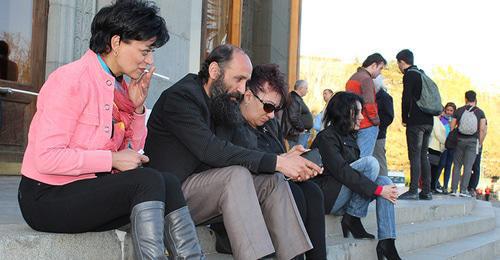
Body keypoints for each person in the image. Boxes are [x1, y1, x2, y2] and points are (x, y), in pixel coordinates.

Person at [17, 2, 204, 259]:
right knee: (147, 181)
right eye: (145, 51)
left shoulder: (119, 88)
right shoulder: (71, 79)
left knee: (168, 182)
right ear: (116, 43)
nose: (149, 61)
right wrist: (112, 159)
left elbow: (132, 150)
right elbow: (46, 157)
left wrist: (137, 109)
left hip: (89, 189)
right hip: (46, 196)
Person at [144, 44, 320, 260]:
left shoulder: (220, 101)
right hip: (172, 196)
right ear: (215, 71)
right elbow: (211, 150)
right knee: (236, 176)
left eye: (246, 81)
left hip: (204, 190)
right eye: (238, 79)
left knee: (273, 181)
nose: (243, 88)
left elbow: (240, 149)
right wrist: (278, 162)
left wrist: (282, 161)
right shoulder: (182, 97)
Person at [212, 64, 326, 259]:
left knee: (313, 192)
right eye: (268, 106)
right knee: (293, 194)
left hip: (271, 189)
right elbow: (238, 167)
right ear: (248, 96)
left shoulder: (268, 123)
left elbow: (277, 161)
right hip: (238, 203)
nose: (272, 114)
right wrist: (283, 163)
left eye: (276, 108)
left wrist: (295, 165)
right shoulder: (228, 120)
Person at [311, 91, 401, 260]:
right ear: (344, 113)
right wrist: (377, 190)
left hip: (344, 195)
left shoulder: (350, 137)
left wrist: (381, 188)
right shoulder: (326, 138)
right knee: (371, 164)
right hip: (328, 197)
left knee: (386, 181)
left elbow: (355, 177)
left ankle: (387, 242)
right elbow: (342, 172)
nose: (361, 117)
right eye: (357, 112)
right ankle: (353, 217)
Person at [397, 49, 433, 200]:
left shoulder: (409, 75)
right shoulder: (422, 73)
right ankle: (426, 191)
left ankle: (413, 190)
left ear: (402, 62)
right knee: (424, 156)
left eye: (398, 63)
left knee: (415, 155)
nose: (398, 66)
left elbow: (406, 98)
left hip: (416, 122)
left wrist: (405, 117)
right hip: (429, 121)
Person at [345, 53, 386, 157]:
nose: (380, 73)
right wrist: (376, 121)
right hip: (367, 125)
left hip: (354, 124)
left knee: (355, 157)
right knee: (365, 159)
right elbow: (369, 103)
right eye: (380, 68)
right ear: (373, 65)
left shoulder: (353, 78)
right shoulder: (366, 79)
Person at [449, 90, 487, 197]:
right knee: (468, 166)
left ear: (465, 99)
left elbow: (452, 126)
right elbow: (482, 129)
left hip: (460, 140)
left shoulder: (459, 111)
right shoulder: (480, 112)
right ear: (475, 99)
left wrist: (454, 137)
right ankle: (463, 190)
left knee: (456, 165)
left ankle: (453, 189)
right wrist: (480, 142)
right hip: (473, 141)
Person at [372, 75, 394, 176]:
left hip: (379, 134)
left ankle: (385, 185)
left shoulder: (385, 97)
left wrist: (377, 124)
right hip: (368, 133)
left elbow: (389, 117)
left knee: (380, 160)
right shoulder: (370, 97)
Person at [284, 79, 314, 148]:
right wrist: (302, 129)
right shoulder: (294, 99)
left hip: (300, 134)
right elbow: (293, 117)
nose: (307, 90)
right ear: (300, 88)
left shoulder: (296, 98)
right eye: (306, 88)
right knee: (298, 156)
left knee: (302, 156)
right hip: (297, 135)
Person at [435, 102, 456, 193]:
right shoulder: (441, 119)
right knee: (441, 164)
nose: (449, 112)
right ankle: (434, 184)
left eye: (451, 110)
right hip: (443, 145)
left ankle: (445, 187)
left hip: (451, 145)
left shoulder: (454, 121)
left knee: (448, 166)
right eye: (447, 110)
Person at [428, 112, 447, 194]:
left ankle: (432, 187)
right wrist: (445, 142)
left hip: (437, 147)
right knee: (433, 169)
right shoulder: (435, 120)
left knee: (434, 169)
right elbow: (438, 134)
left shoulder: (437, 120)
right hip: (433, 146)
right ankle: (431, 187)